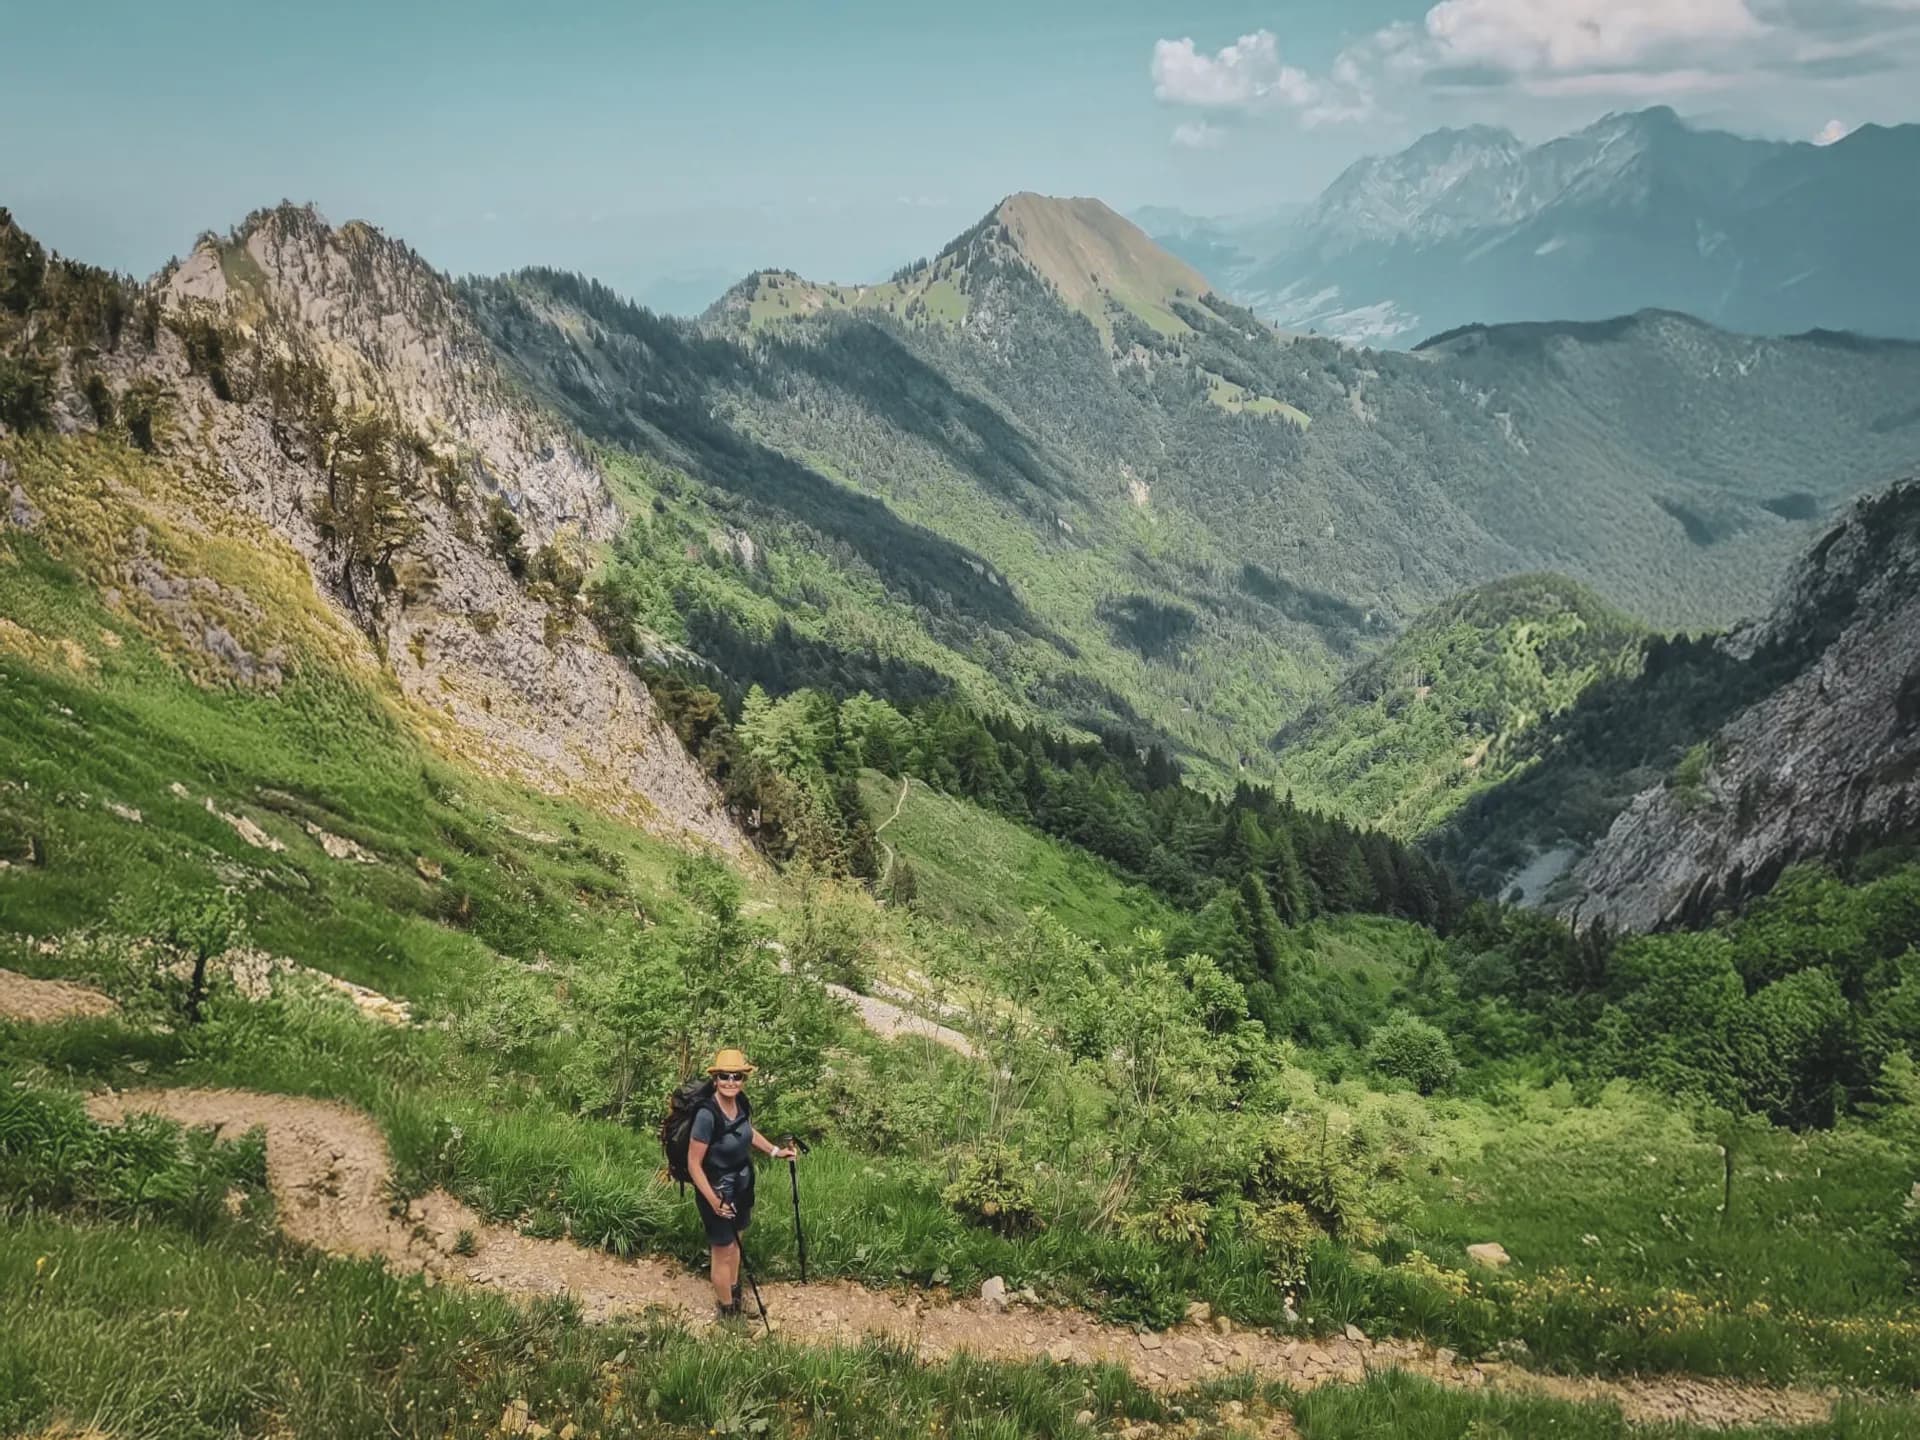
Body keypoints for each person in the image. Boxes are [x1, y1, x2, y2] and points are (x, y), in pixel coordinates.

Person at [688, 1047, 797, 1319]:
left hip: (741, 1184)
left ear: (743, 1079)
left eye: (737, 1076)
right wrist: (714, 1201)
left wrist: (774, 1151)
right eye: (724, 1076)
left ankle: (735, 1293)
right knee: (723, 1249)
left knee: (738, 1242)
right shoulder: (706, 1115)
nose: (731, 1082)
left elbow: (746, 1131)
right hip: (716, 1190)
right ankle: (727, 1311)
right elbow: (693, 1164)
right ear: (715, 1079)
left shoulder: (741, 1102)